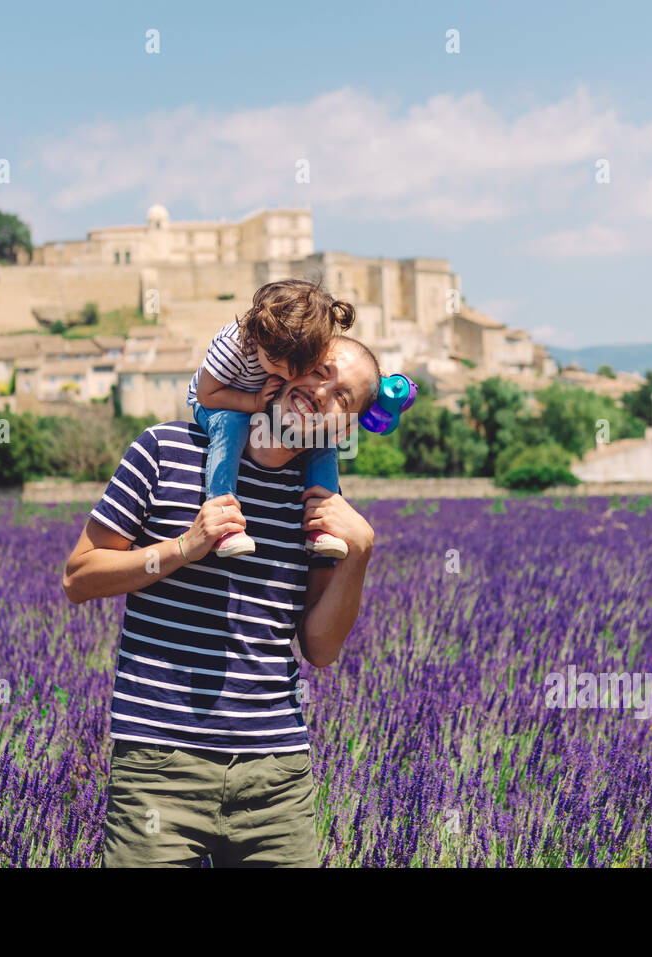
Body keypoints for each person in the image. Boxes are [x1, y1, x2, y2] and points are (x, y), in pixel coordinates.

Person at [62, 336, 381, 867]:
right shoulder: (164, 450)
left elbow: (320, 649)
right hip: (158, 766)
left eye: (343, 396)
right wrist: (183, 549)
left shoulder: (322, 509)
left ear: (344, 429)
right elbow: (79, 577)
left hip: (277, 776)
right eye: (319, 370)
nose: (321, 391)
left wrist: (360, 553)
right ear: (289, 364)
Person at [187, 278, 355, 560]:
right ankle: (223, 517)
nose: (290, 376)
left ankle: (322, 524)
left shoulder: (302, 342)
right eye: (278, 366)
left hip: (261, 399)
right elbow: (207, 395)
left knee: (320, 438)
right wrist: (252, 403)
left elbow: (347, 366)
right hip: (220, 402)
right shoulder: (233, 347)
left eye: (298, 369)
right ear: (259, 337)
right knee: (233, 423)